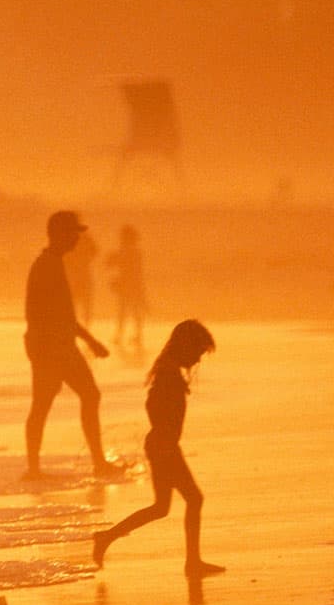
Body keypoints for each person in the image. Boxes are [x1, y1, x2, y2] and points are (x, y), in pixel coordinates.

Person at [92, 320, 225, 576]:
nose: (198, 360)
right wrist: (164, 437)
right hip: (164, 446)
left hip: (162, 444)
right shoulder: (168, 374)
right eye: (198, 352)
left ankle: (106, 538)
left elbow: (154, 405)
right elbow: (153, 405)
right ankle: (193, 563)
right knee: (194, 499)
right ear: (187, 346)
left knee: (161, 507)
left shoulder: (168, 370)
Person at [24, 210, 117, 478]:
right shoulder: (47, 266)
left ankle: (39, 467)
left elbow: (63, 316)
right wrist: (87, 342)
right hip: (52, 349)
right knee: (51, 403)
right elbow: (50, 316)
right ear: (58, 234)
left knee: (57, 402)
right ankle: (38, 468)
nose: (77, 238)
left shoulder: (53, 263)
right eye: (73, 233)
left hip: (56, 346)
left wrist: (89, 341)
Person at [107, 224, 148, 358]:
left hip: (129, 285)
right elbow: (112, 263)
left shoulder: (128, 252)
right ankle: (135, 335)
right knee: (130, 311)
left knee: (126, 311)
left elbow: (112, 263)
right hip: (130, 285)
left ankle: (126, 335)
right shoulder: (132, 252)